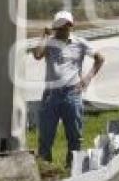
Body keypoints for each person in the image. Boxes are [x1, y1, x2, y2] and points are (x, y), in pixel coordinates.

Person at [32, 11, 105, 166]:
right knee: (45, 135)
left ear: (70, 26)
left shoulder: (80, 43)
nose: (60, 30)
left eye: (63, 26)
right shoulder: (49, 42)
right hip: (51, 94)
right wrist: (44, 36)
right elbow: (37, 55)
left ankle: (72, 167)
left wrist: (87, 79)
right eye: (57, 26)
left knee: (74, 135)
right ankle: (45, 168)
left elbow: (100, 58)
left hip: (72, 93)